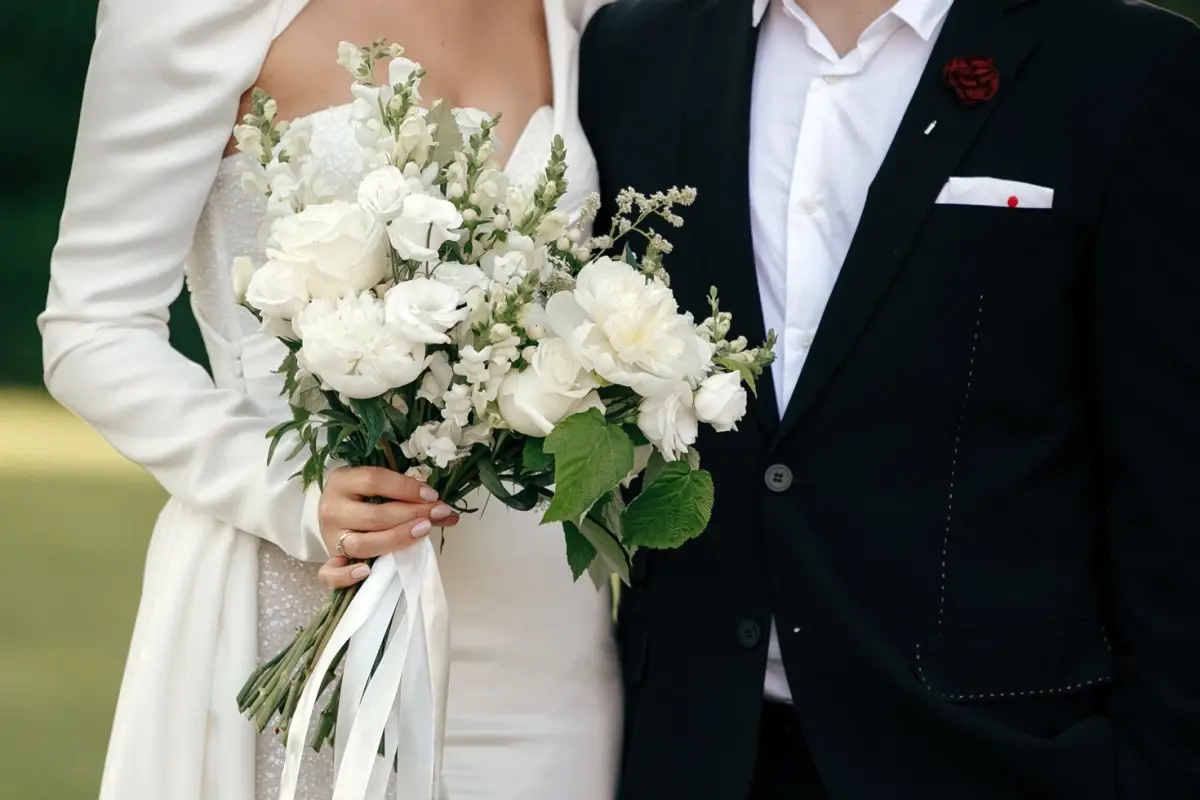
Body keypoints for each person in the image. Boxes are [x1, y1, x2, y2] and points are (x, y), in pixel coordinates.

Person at [578, 0, 1200, 797]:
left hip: (993, 751)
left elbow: (1171, 486)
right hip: (693, 746)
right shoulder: (631, 51)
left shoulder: (1130, 66)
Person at [39, 0, 617, 798]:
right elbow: (92, 327)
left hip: (543, 645)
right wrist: (295, 494)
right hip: (302, 612)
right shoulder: (189, 13)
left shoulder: (580, 12)